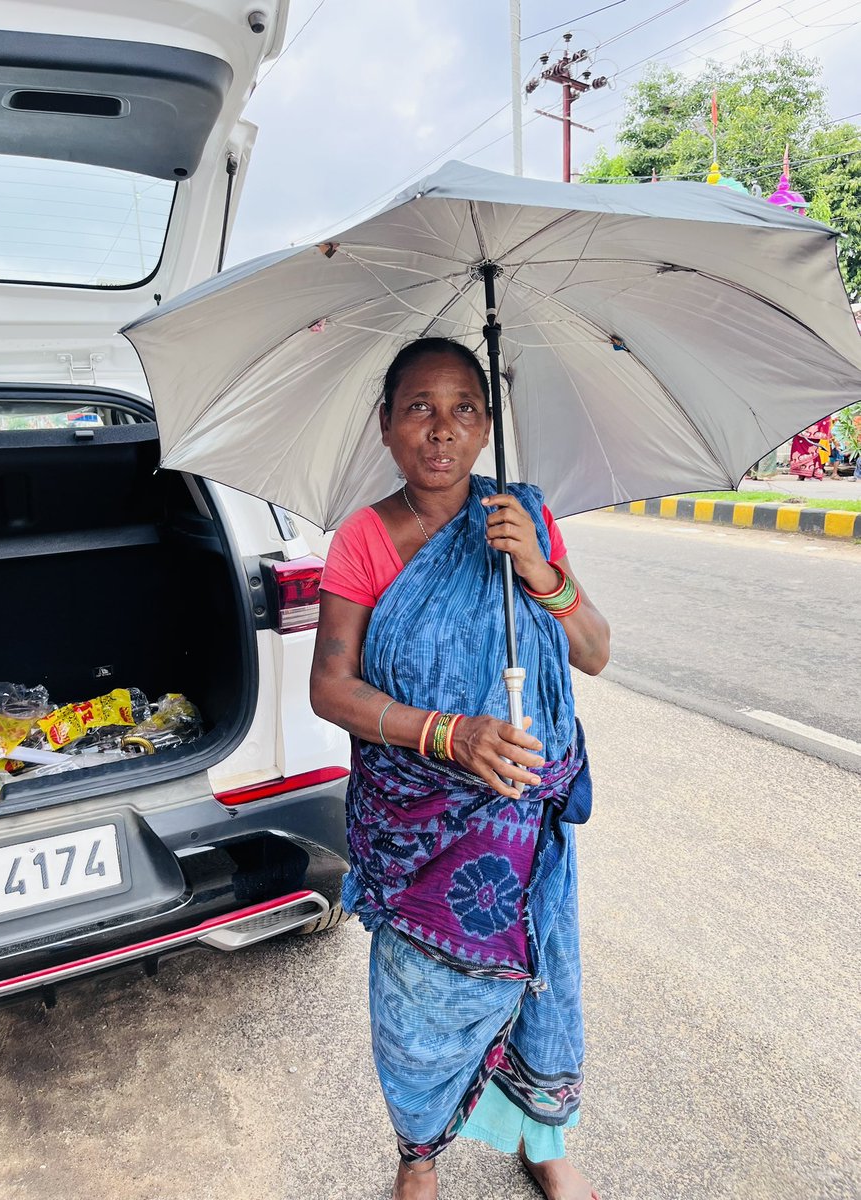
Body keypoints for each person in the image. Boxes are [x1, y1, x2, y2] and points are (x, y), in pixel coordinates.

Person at [310, 337, 611, 1200]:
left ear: (487, 428)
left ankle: (542, 1138)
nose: (440, 431)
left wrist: (541, 570)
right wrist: (451, 736)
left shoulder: (521, 518)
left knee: (538, 979)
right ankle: (420, 1153)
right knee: (417, 1007)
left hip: (525, 817)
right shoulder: (364, 541)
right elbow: (331, 688)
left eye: (463, 409)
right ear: (386, 425)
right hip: (420, 829)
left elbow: (593, 652)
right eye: (418, 408)